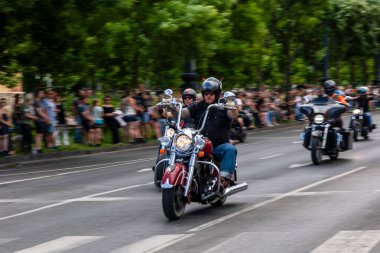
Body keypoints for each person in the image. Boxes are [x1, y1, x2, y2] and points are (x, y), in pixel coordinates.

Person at [178, 77, 239, 188]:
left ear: (217, 93)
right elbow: (184, 112)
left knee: (230, 149)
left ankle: (223, 181)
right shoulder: (198, 105)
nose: (208, 96)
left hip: (218, 145)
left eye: (211, 93)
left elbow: (233, 115)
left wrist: (231, 106)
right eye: (206, 93)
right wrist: (173, 107)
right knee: (181, 149)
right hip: (199, 145)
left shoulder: (224, 105)